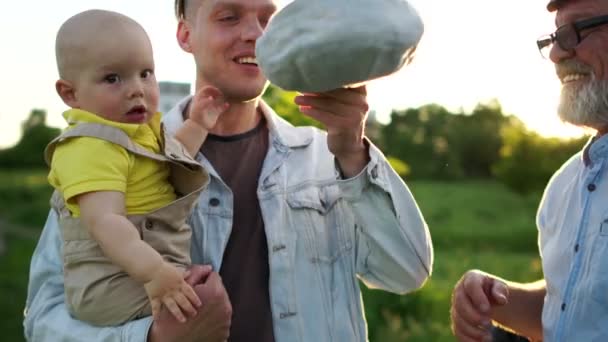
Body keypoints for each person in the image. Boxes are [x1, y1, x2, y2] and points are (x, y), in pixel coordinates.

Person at [24, 1, 434, 341]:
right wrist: (152, 338)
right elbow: (44, 318)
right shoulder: (112, 152)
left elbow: (406, 271)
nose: (254, 34)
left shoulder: (324, 155)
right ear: (185, 34)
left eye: (266, 18)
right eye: (229, 16)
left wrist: (352, 153)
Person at [45, 9, 232, 327]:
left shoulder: (136, 132)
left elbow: (173, 159)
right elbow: (106, 222)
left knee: (202, 300)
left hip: (142, 265)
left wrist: (198, 123)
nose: (137, 89)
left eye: (145, 73)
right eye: (112, 78)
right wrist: (157, 274)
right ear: (70, 93)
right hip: (110, 280)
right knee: (198, 309)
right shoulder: (89, 147)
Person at [450, 0, 608, 341]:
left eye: (577, 31)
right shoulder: (565, 185)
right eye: (555, 37)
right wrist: (495, 299)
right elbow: (567, 309)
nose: (556, 54)